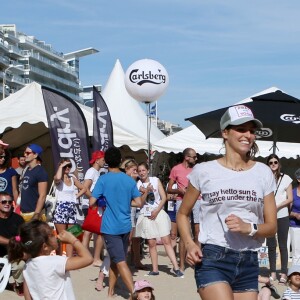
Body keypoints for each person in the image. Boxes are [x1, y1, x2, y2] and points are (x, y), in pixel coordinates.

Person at [177, 105, 277, 300]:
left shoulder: (263, 172)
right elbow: (182, 213)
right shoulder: (204, 171)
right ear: (225, 132)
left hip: (249, 260)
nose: (247, 135)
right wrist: (189, 244)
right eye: (241, 129)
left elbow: (271, 226)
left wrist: (249, 227)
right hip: (214, 257)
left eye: (251, 130)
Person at [90, 146, 143, 298]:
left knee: (119, 260)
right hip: (125, 226)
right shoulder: (129, 180)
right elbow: (138, 202)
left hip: (110, 227)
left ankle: (135, 293)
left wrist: (103, 200)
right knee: (117, 259)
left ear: (106, 162)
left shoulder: (103, 179)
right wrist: (125, 202)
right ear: (120, 161)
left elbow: (92, 202)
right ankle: (110, 291)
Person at [7, 220, 93, 300]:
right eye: (51, 235)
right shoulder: (55, 262)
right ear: (45, 247)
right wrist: (73, 240)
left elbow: (27, 295)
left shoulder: (28, 266)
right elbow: (88, 259)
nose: (56, 236)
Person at [136, 162, 184, 278]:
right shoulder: (137, 185)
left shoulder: (155, 180)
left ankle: (176, 267)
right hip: (145, 213)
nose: (142, 173)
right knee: (151, 243)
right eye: (139, 171)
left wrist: (157, 210)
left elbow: (163, 197)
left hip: (158, 212)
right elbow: (140, 202)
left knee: (166, 240)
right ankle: (155, 269)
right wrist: (145, 191)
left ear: (147, 170)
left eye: (143, 170)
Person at [167, 148, 199, 272]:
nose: (196, 159)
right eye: (194, 157)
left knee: (197, 233)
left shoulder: (197, 169)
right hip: (182, 200)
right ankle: (181, 264)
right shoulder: (176, 169)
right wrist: (179, 190)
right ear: (187, 157)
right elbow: (169, 188)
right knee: (183, 234)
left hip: (198, 200)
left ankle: (196, 261)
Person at [266, 154, 293, 284]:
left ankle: (283, 272)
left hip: (282, 215)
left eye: (275, 162)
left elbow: (290, 198)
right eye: (270, 162)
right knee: (271, 245)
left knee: (283, 245)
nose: (273, 164)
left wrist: (277, 206)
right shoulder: (265, 179)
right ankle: (272, 272)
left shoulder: (286, 178)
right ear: (268, 164)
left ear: (279, 163)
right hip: (269, 216)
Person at [52, 159, 86, 257]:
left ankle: (69, 259)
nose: (67, 168)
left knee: (71, 235)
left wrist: (76, 197)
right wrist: (61, 166)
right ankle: (58, 258)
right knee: (61, 236)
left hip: (71, 208)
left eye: (69, 165)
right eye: (65, 166)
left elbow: (84, 188)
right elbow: (58, 177)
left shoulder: (72, 178)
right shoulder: (58, 178)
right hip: (61, 207)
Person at [121, 158, 146, 271]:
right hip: (126, 213)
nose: (137, 172)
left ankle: (134, 261)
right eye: (134, 170)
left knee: (133, 238)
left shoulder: (133, 182)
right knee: (127, 239)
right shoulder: (125, 181)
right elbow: (136, 202)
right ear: (127, 169)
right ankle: (123, 264)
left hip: (132, 213)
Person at [82, 150, 106, 267]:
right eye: (102, 159)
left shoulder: (95, 172)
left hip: (92, 204)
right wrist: (94, 199)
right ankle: (91, 257)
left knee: (89, 231)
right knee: (94, 230)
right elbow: (85, 187)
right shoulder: (92, 171)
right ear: (97, 160)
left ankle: (86, 255)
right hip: (91, 204)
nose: (104, 161)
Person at [0, 191, 25, 296]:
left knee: (22, 264)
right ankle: (7, 284)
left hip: (12, 254)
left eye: (10, 202)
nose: (7, 204)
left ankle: (19, 284)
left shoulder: (18, 219)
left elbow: (23, 238)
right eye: (4, 201)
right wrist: (11, 241)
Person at [20, 144, 48, 222]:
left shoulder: (40, 172)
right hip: (24, 212)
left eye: (28, 153)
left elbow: (42, 195)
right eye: (24, 153)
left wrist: (36, 215)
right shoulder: (27, 170)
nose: (25, 155)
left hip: (34, 213)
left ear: (35, 155)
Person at [290, 168, 300, 265]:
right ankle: (295, 276)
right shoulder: (292, 193)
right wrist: (295, 214)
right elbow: (287, 211)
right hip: (295, 226)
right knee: (296, 253)